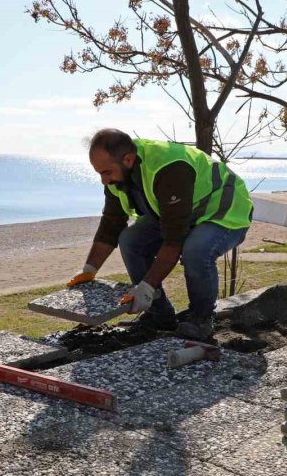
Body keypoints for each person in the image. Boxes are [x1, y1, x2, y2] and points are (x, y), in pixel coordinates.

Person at [67, 129, 253, 340]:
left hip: (223, 210)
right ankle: (159, 314)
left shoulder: (169, 168)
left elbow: (174, 239)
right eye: (99, 173)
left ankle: (201, 319)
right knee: (130, 240)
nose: (103, 180)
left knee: (196, 251)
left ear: (128, 159)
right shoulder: (117, 175)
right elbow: (111, 224)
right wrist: (89, 269)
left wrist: (146, 287)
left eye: (106, 172)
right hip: (182, 212)